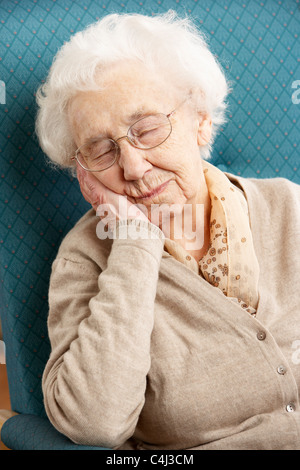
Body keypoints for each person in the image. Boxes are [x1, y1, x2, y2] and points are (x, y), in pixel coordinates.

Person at [35, 10, 300, 450]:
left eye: (148, 129)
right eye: (101, 151)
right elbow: (93, 423)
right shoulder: (85, 257)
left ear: (200, 119)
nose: (134, 167)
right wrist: (135, 246)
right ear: (83, 173)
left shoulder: (288, 207)